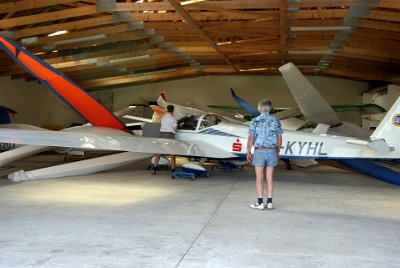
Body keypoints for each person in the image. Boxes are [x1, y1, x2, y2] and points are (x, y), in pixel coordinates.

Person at [247, 99, 283, 210]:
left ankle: (260, 203)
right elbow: (279, 138)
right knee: (269, 177)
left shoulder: (255, 121)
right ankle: (270, 202)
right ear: (270, 108)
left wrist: (248, 150)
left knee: (259, 177)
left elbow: (251, 137)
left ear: (260, 108)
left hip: (259, 151)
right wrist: (277, 151)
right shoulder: (275, 121)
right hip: (272, 150)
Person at [153, 104, 177, 175]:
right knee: (172, 153)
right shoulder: (173, 119)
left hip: (161, 135)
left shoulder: (163, 117)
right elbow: (175, 128)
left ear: (167, 110)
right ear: (173, 110)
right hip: (169, 135)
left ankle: (154, 168)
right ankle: (173, 170)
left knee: (159, 152)